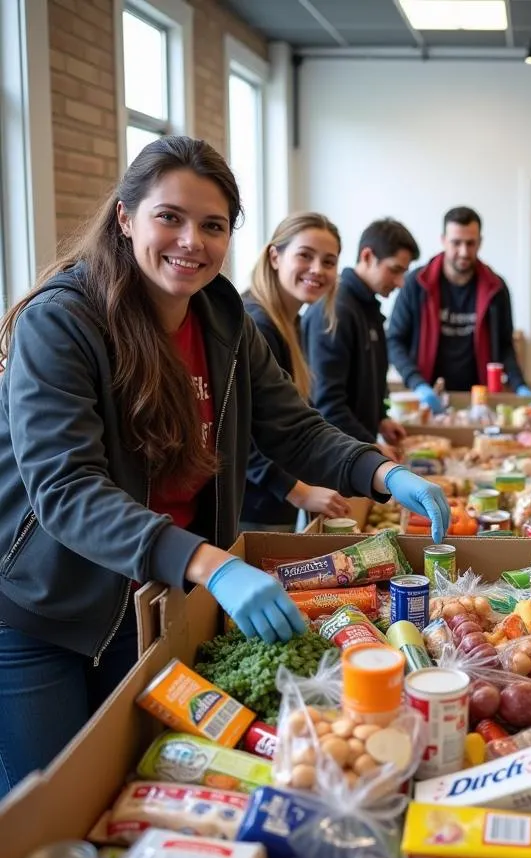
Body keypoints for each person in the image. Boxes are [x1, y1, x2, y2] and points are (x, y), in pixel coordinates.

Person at [0, 136, 450, 797]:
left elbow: (292, 428)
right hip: (43, 606)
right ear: (125, 218)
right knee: (49, 806)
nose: (191, 241)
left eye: (213, 226)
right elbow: (67, 490)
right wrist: (212, 564)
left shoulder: (223, 322)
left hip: (149, 599)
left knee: (128, 786)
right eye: (170, 218)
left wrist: (381, 473)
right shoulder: (64, 322)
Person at [240, 212, 351, 532]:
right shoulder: (256, 324)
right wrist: (297, 491)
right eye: (305, 255)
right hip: (255, 506)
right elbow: (238, 434)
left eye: (329, 262)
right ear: (275, 256)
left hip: (278, 501)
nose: (318, 270)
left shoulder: (291, 321)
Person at [386, 206, 531, 412]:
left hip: (479, 400)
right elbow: (394, 340)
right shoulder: (417, 284)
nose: (464, 252)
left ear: (480, 242)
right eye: (456, 243)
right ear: (443, 240)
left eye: (470, 243)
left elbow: (505, 345)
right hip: (428, 396)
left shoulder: (496, 288)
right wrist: (416, 383)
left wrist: (520, 386)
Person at [303, 218, 419, 462]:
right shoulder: (336, 310)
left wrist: (380, 418)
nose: (400, 283)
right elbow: (328, 404)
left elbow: (367, 383)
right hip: (335, 457)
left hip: (355, 451)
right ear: (367, 256)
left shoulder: (369, 309)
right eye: (395, 270)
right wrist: (370, 445)